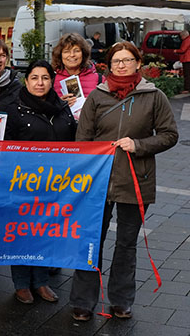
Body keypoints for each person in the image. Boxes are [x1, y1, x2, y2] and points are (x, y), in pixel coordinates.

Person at [70, 41, 177, 321]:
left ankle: (120, 300)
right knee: (92, 240)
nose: (121, 65)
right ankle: (83, 301)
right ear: (109, 64)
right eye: (116, 60)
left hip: (135, 179)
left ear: (138, 63)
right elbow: (83, 139)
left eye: (127, 60)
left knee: (127, 244)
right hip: (98, 181)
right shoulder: (98, 96)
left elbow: (169, 134)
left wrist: (139, 145)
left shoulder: (154, 96)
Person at [2, 60, 76, 304]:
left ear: (52, 80)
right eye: (34, 78)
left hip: (56, 184)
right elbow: (4, 148)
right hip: (24, 183)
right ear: (26, 81)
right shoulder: (14, 109)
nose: (40, 83)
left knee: (47, 232)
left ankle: (42, 281)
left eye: (45, 78)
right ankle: (22, 284)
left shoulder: (63, 107)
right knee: (22, 233)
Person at [52, 33, 103, 114]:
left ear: (83, 53)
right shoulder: (51, 80)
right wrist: (58, 105)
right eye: (66, 51)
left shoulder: (100, 79)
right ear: (60, 55)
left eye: (76, 51)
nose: (72, 55)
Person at [175, 30, 190, 94]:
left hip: (187, 59)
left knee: (187, 74)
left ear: (184, 35)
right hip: (188, 58)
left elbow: (183, 50)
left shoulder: (187, 40)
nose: (181, 38)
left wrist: (176, 51)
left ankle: (187, 89)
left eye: (181, 36)